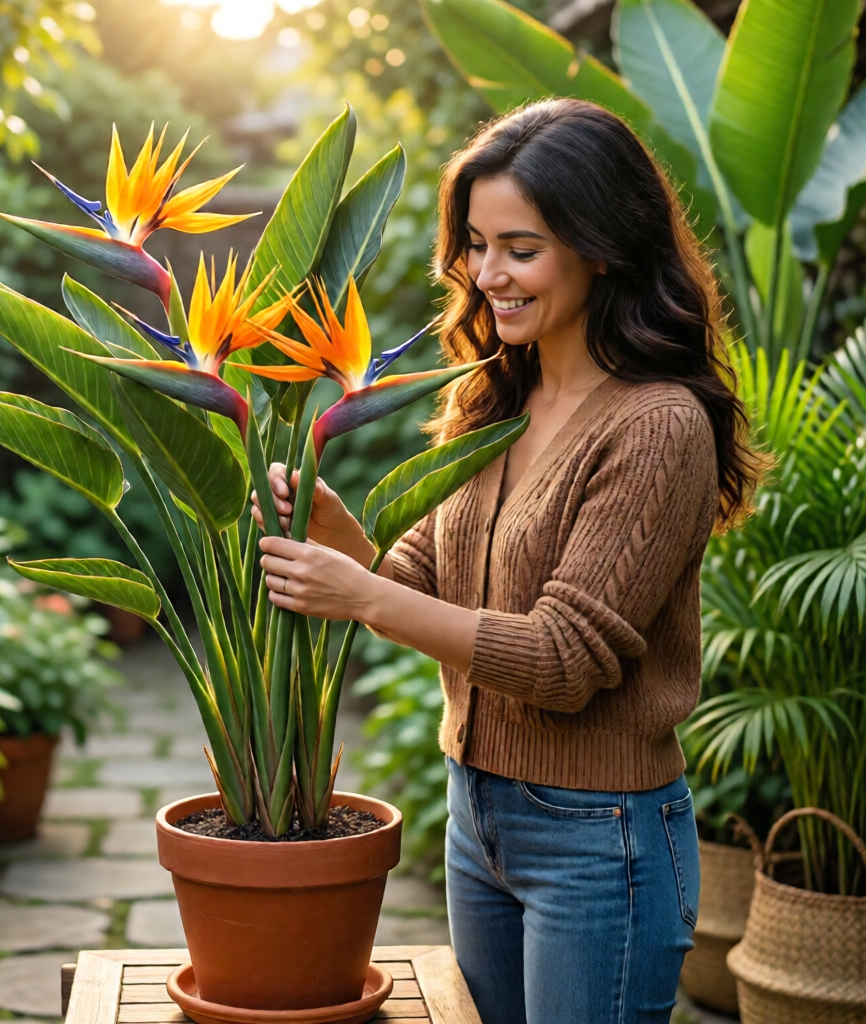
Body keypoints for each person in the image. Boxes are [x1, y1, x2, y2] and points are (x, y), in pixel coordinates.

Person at [252, 98, 763, 1024]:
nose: (488, 275)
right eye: (477, 245)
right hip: (475, 816)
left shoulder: (657, 427)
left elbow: (562, 662)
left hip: (598, 843)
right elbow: (415, 584)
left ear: (601, 246)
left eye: (520, 249)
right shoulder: (499, 396)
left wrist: (358, 595)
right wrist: (336, 535)